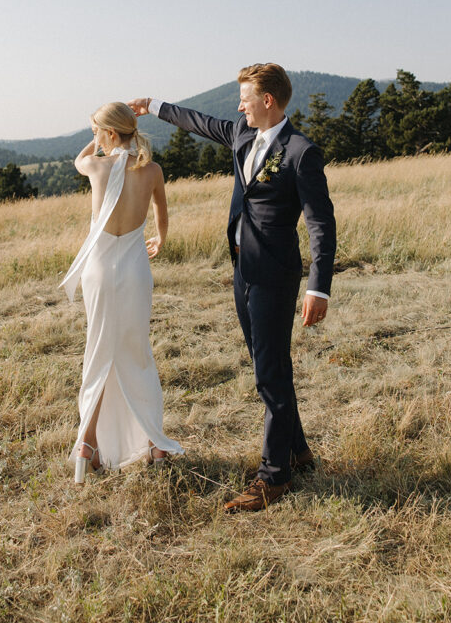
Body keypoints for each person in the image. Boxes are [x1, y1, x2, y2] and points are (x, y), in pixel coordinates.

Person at [129, 63, 336, 511]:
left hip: (276, 276)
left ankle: (273, 475)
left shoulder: (301, 152)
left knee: (269, 373)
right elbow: (200, 123)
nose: (238, 105)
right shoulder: (242, 135)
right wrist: (154, 106)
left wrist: (318, 287)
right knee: (270, 365)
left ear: (267, 100)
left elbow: (321, 223)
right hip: (242, 269)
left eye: (245, 97)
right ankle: (297, 451)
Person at [60, 101, 184, 483]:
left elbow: (80, 158)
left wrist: (96, 138)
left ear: (109, 135)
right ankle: (153, 442)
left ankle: (88, 444)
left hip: (98, 271)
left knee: (97, 350)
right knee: (137, 351)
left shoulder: (96, 166)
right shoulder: (152, 171)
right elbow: (162, 212)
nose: (96, 137)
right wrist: (160, 239)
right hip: (133, 270)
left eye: (99, 130)